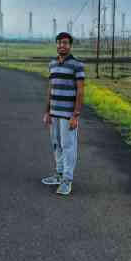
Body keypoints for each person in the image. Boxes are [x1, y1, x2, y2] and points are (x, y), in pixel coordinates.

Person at [42, 32, 85, 196]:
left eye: (65, 43)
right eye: (59, 43)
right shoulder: (52, 64)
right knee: (56, 145)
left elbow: (80, 92)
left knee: (68, 147)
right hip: (54, 113)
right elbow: (50, 89)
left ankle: (67, 180)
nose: (62, 45)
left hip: (68, 114)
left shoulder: (77, 65)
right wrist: (47, 111)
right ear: (56, 45)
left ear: (70, 45)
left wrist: (76, 115)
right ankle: (59, 174)